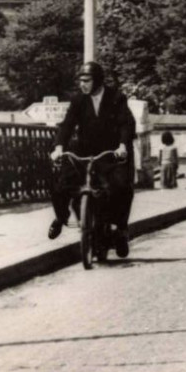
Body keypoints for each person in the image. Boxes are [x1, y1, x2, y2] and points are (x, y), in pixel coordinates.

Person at [48, 61, 137, 256]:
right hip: (85, 151)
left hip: (111, 153)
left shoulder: (116, 97)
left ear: (97, 80)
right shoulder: (78, 100)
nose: (82, 84)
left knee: (121, 187)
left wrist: (123, 145)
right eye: (80, 81)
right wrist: (59, 147)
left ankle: (120, 229)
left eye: (86, 80)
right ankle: (60, 218)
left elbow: (126, 123)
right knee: (62, 183)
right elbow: (67, 125)